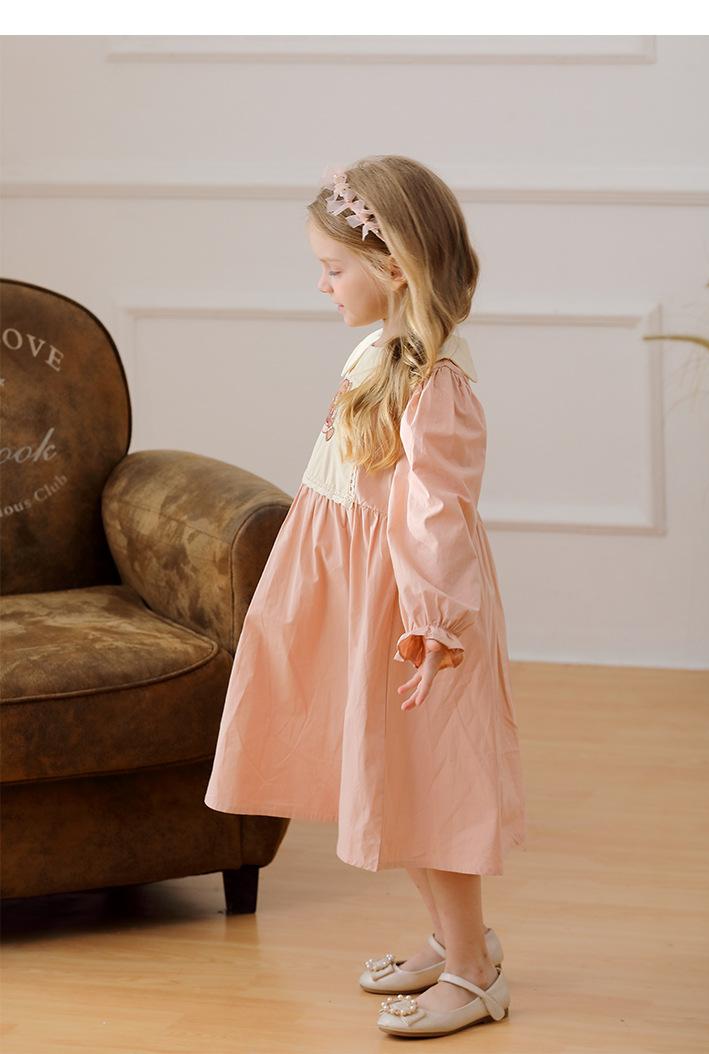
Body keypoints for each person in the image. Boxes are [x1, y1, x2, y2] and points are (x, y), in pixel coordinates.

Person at [204, 154, 527, 1037]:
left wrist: (433, 622)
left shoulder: (436, 384)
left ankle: (474, 974)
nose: (322, 284)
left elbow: (437, 517)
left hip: (409, 611)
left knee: (428, 784)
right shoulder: (379, 352)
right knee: (390, 774)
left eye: (333, 267)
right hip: (356, 598)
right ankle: (456, 940)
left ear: (393, 267)